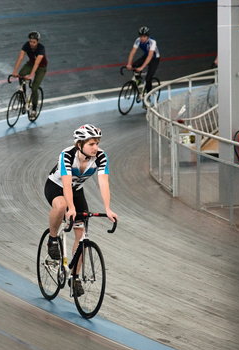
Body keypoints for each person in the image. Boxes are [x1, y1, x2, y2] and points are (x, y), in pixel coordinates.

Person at [44, 124, 118, 296]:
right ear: (80, 144)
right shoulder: (67, 155)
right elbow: (67, 184)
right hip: (57, 187)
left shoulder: (100, 157)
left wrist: (108, 208)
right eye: (91, 144)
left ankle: (74, 277)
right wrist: (70, 208)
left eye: (97, 143)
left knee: (81, 235)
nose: (96, 148)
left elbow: (104, 183)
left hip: (77, 191)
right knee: (62, 206)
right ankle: (52, 239)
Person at [11, 31, 48, 121]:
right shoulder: (26, 45)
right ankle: (23, 97)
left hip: (41, 67)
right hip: (31, 64)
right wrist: (14, 71)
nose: (31, 44)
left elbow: (37, 63)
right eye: (30, 41)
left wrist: (31, 75)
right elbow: (20, 58)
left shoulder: (41, 48)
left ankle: (34, 110)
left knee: (34, 88)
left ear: (37, 42)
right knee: (21, 75)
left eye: (34, 42)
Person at [125, 26, 161, 94]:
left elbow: (150, 56)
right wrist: (129, 63)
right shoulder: (138, 40)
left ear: (147, 36)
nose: (142, 38)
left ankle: (148, 95)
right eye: (141, 36)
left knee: (148, 79)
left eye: (144, 36)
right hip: (146, 56)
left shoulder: (152, 42)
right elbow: (132, 52)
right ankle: (138, 80)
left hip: (154, 58)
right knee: (134, 65)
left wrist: (142, 67)